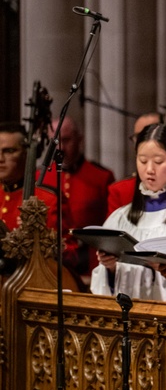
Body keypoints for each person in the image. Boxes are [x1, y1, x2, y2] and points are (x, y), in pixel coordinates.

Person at [91, 124, 166, 300]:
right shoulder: (120, 218)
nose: (149, 170)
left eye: (158, 162)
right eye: (142, 160)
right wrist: (110, 268)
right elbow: (101, 287)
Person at [41, 115, 115, 273]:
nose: (60, 147)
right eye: (54, 142)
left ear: (79, 139)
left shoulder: (101, 176)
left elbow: (111, 224)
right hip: (52, 260)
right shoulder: (39, 177)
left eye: (66, 140)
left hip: (91, 260)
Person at [0, 122, 63, 233]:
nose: (0, 158)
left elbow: (67, 249)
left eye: (9, 151)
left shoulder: (49, 200)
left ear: (26, 154)